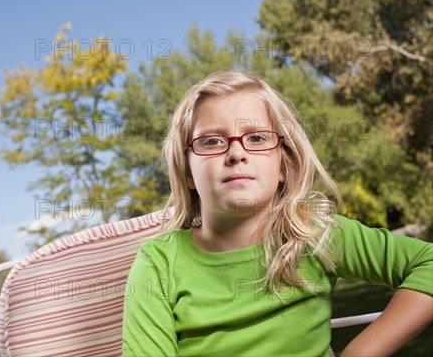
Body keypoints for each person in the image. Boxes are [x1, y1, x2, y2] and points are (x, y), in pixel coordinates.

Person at [121, 71, 432, 356]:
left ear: (283, 165)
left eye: (256, 138)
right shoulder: (158, 263)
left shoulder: (315, 233)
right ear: (187, 171)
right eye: (212, 141)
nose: (236, 153)